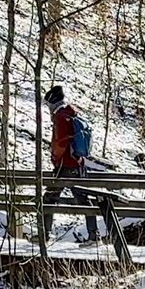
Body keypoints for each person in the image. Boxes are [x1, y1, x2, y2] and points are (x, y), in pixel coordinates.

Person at [45, 85, 100, 240]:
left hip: (65, 165)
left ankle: (44, 234)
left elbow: (60, 142)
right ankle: (93, 235)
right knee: (83, 200)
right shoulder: (72, 113)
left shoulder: (60, 117)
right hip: (78, 163)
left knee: (49, 198)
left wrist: (55, 157)